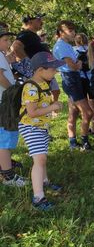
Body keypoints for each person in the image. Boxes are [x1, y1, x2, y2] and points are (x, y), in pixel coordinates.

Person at [18, 52, 64, 210]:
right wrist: (52, 107)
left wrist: (52, 105)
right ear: (40, 70)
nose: (55, 72)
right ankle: (38, 197)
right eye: (52, 69)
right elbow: (31, 112)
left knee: (42, 157)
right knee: (40, 159)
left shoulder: (44, 83)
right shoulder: (31, 87)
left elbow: (42, 105)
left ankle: (45, 182)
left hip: (41, 126)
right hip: (31, 127)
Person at [53, 21, 93, 151]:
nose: (73, 33)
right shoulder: (61, 46)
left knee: (74, 112)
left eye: (73, 30)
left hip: (73, 78)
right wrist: (80, 63)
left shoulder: (66, 45)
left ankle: (73, 142)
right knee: (87, 112)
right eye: (70, 31)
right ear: (60, 32)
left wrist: (78, 63)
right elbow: (73, 65)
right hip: (71, 79)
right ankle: (85, 142)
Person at [11, 14, 61, 102]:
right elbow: (15, 47)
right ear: (30, 22)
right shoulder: (26, 34)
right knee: (38, 94)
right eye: (38, 20)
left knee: (54, 91)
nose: (42, 22)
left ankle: (51, 110)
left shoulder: (32, 35)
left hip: (44, 69)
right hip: (37, 71)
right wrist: (29, 64)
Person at [0, 26, 27, 187]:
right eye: (5, 40)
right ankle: (8, 176)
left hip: (4, 101)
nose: (8, 42)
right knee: (5, 139)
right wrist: (13, 90)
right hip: (4, 102)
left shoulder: (2, 55)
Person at [74, 33, 94, 136]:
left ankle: (85, 126)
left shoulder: (74, 50)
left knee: (83, 105)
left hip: (80, 79)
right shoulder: (92, 49)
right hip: (92, 79)